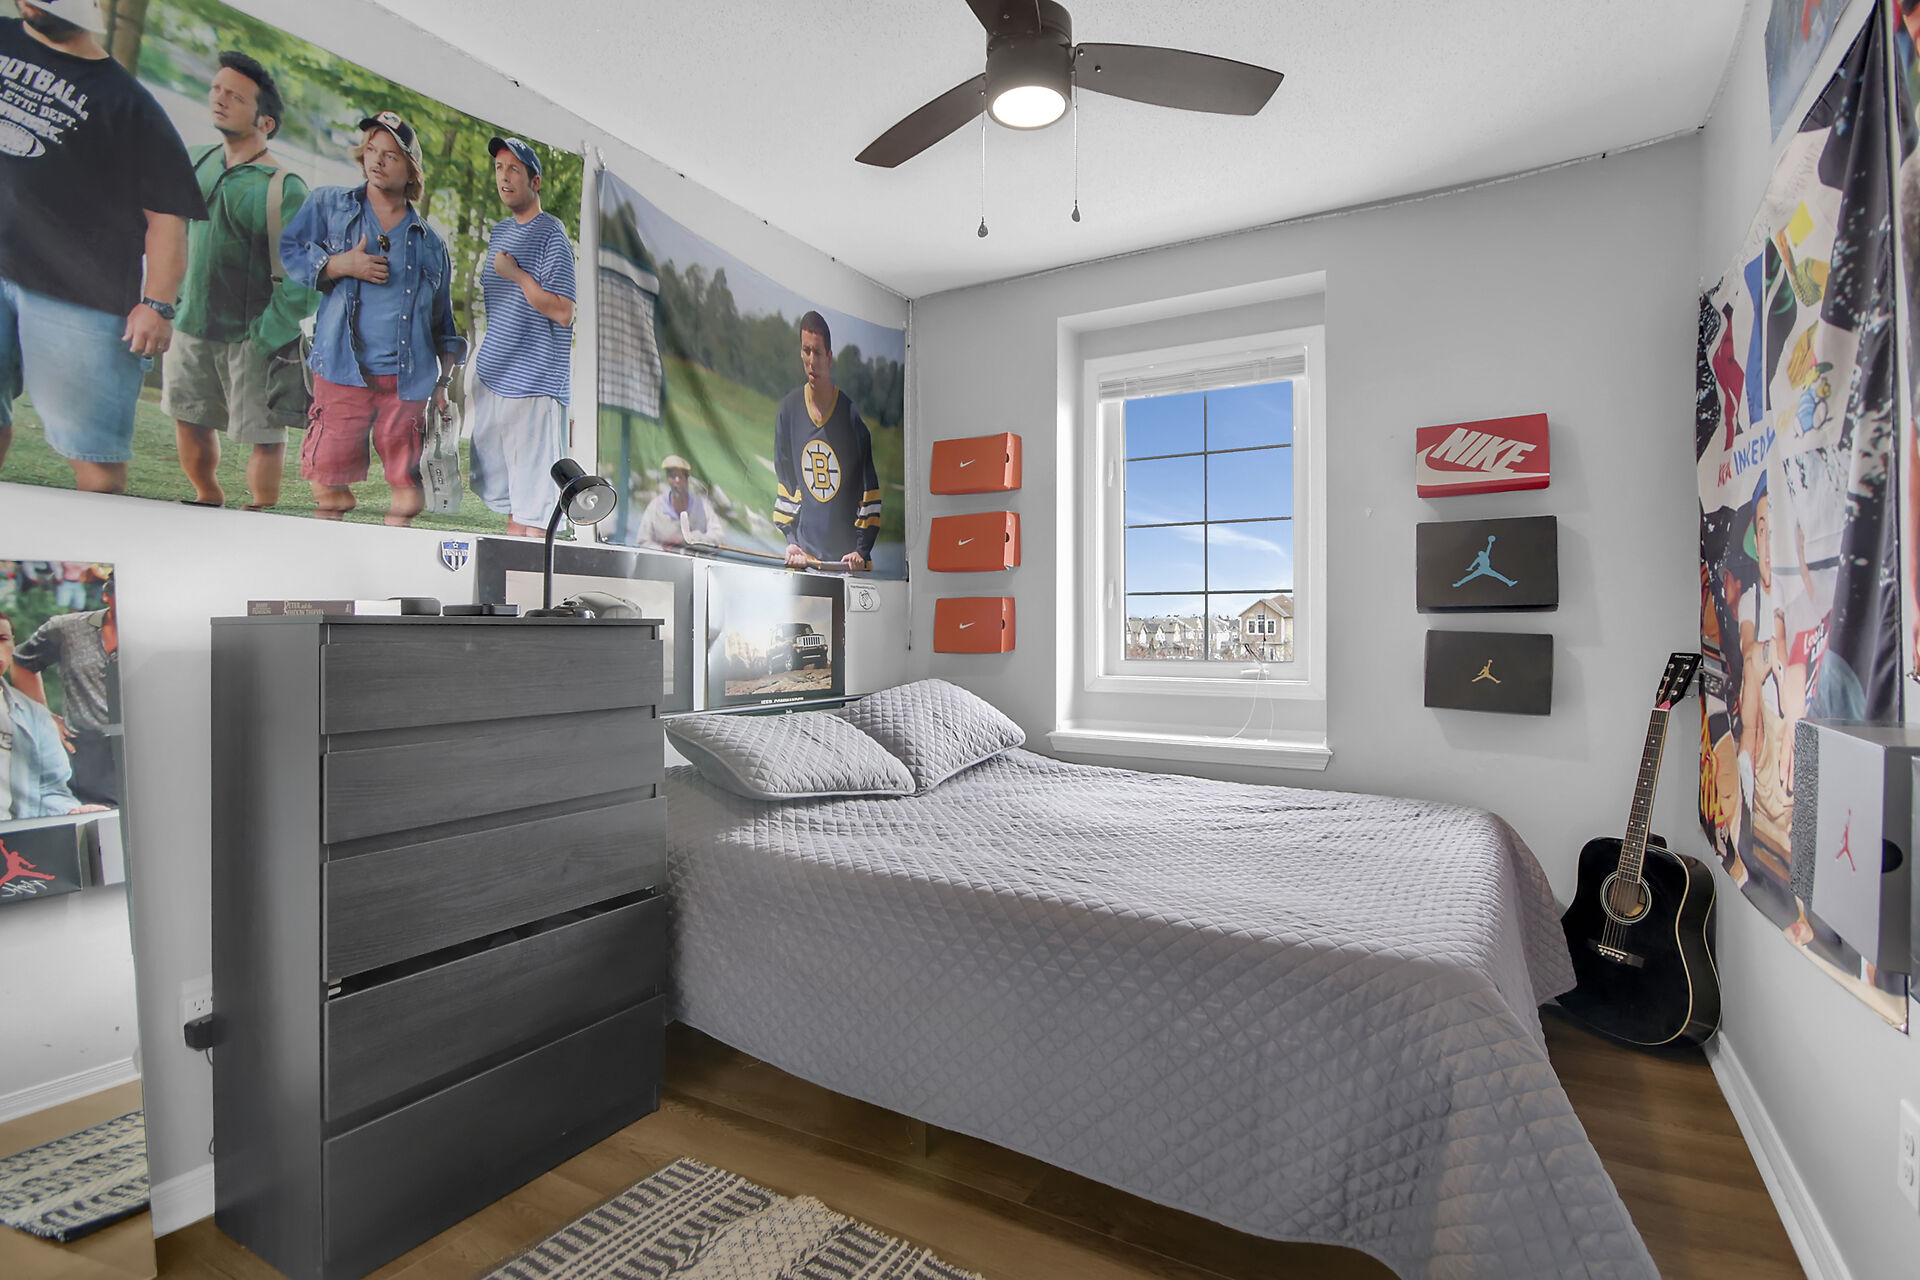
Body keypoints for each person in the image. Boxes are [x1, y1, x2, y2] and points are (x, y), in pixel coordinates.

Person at [0, 0, 208, 495]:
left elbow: (167, 219)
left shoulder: (131, 105)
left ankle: (99, 541)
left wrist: (158, 305)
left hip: (80, 298)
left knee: (93, 458)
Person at [278, 111, 466, 525]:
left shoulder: (431, 244)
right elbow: (291, 250)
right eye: (371, 150)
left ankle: (394, 555)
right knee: (327, 487)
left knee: (406, 491)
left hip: (406, 384)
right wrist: (339, 265)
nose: (377, 160)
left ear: (411, 170)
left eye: (391, 155)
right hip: (342, 372)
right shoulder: (329, 205)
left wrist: (443, 384)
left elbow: (443, 325)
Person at [165, 50, 319, 511]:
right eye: (217, 89)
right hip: (189, 325)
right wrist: (168, 302)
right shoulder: (195, 161)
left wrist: (266, 333)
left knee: (264, 436)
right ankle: (206, 495)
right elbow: (166, 234)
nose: (219, 99)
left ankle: (260, 510)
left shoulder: (285, 187)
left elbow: (307, 277)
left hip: (252, 337)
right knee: (188, 417)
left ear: (265, 121)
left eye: (235, 96)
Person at [471, 136, 577, 536]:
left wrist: (516, 275)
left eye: (514, 169)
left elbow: (563, 311)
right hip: (496, 379)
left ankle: (532, 573)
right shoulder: (500, 232)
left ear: (535, 181)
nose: (504, 177)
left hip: (534, 385)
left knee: (536, 510)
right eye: (499, 168)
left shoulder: (551, 233)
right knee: (513, 506)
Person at [773, 312, 881, 570]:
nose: (812, 361)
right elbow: (787, 480)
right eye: (806, 351)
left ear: (829, 357)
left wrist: (861, 550)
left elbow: (869, 491)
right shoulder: (789, 410)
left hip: (844, 564)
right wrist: (792, 542)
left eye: (818, 353)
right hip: (804, 559)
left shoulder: (851, 417)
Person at [10, 573, 118, 805]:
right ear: (107, 595)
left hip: (142, 754)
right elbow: (22, 662)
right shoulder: (67, 628)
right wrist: (44, 718)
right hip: (83, 755)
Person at [0, 610, 91, 820]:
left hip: (13, 836)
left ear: (13, 646)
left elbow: (50, 791)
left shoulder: (35, 717)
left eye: (2, 639)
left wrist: (73, 812)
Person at [637, 454, 720, 549]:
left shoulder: (703, 507)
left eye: (681, 476)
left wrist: (689, 538)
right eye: (673, 476)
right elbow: (642, 541)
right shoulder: (655, 507)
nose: (677, 480)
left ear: (687, 479)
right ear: (668, 479)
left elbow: (718, 539)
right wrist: (662, 550)